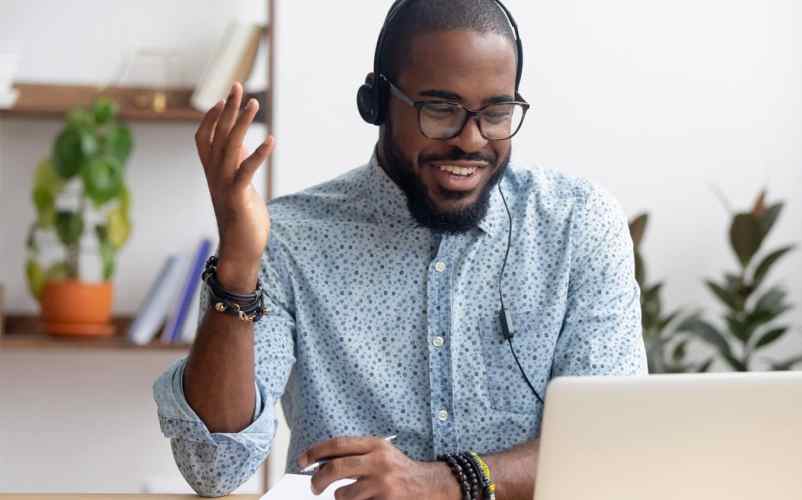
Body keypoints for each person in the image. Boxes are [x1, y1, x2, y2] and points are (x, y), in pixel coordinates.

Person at [153, 0, 647, 498]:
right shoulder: (287, 240)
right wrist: (238, 266)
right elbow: (213, 468)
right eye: (440, 110)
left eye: (496, 112)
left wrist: (443, 483)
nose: (470, 140)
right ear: (377, 104)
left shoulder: (577, 225)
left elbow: (610, 446)